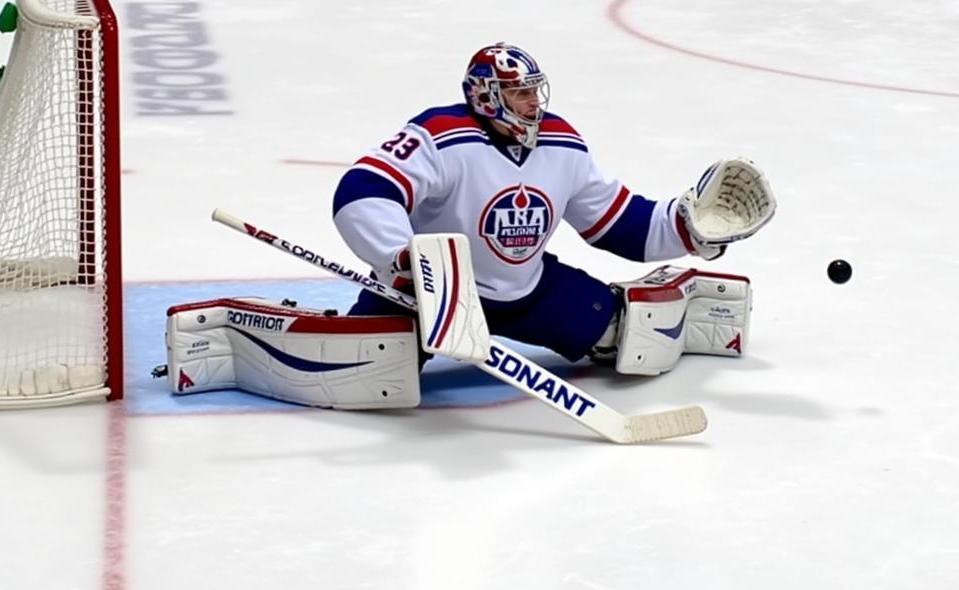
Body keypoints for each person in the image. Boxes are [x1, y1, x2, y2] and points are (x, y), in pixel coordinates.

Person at [331, 43, 775, 371]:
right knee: (363, 361)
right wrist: (403, 258)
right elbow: (361, 191)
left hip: (530, 293)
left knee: (627, 337)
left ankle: (686, 307)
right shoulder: (440, 135)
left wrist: (687, 228)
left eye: (534, 91)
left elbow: (618, 222)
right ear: (487, 96)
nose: (534, 104)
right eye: (520, 93)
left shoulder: (561, 142)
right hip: (434, 297)